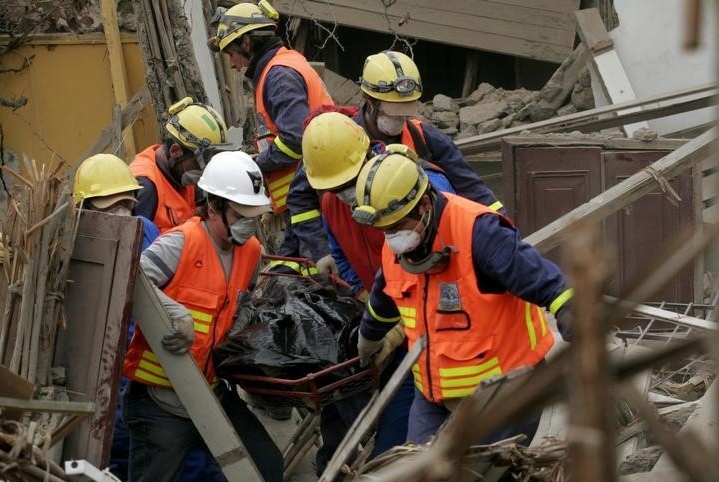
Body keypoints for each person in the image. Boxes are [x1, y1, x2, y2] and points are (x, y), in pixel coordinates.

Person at [352, 151, 574, 445]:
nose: (391, 237)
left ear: (425, 205)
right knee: (417, 481)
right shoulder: (395, 250)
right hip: (433, 396)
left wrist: (573, 313)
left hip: (503, 395)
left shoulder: (479, 232)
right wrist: (369, 336)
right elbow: (385, 297)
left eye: (396, 227)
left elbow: (544, 281)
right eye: (384, 230)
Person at [122, 151, 284, 482]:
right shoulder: (180, 243)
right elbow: (129, 280)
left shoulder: (252, 251)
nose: (249, 226)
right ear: (212, 208)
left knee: (267, 468)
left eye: (254, 217)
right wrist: (171, 311)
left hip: (210, 392)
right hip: (160, 400)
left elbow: (240, 308)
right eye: (241, 216)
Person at [71, 153, 234, 482]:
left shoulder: (143, 231)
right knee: (115, 466)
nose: (120, 216)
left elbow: (161, 288)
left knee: (187, 466)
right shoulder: (71, 246)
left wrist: (173, 314)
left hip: (146, 365)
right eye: (108, 208)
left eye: (125, 206)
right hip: (95, 374)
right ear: (83, 210)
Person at [300, 112, 456, 464]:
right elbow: (343, 250)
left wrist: (399, 327)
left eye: (347, 184)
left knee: (403, 436)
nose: (343, 196)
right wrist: (364, 299)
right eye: (333, 188)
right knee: (348, 405)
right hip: (389, 313)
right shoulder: (331, 202)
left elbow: (446, 275)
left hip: (440, 328)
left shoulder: (417, 187)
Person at [209, 1, 335, 276]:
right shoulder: (282, 66)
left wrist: (255, 164)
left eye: (231, 52)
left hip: (310, 199)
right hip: (306, 197)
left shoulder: (278, 76)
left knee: (313, 276)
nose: (231, 63)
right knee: (288, 271)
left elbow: (295, 140)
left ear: (245, 43)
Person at [355, 51, 505, 213]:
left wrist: (501, 225)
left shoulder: (426, 139)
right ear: (369, 99)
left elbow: (474, 190)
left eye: (406, 109)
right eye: (393, 109)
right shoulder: (346, 144)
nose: (400, 117)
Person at [131, 96, 231, 232]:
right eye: (201, 163)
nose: (204, 172)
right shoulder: (146, 187)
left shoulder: (181, 173)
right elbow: (132, 247)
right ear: (176, 151)